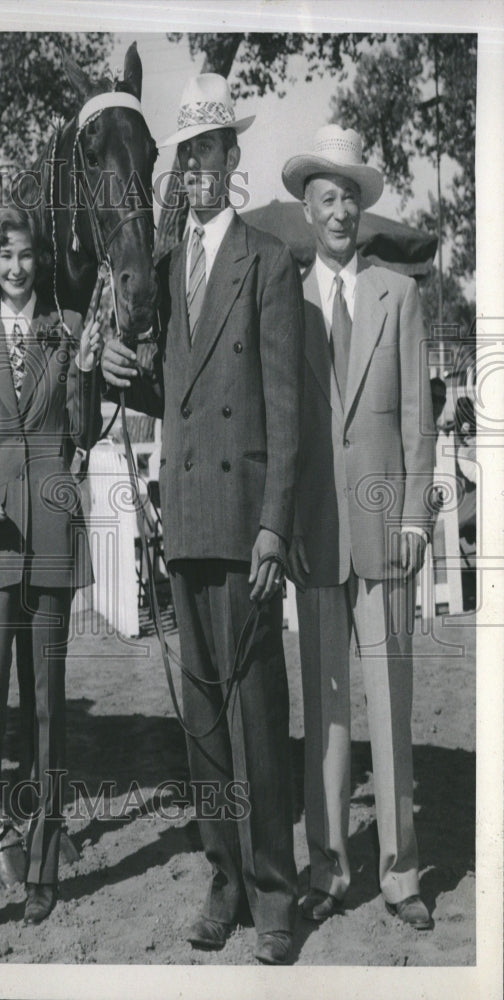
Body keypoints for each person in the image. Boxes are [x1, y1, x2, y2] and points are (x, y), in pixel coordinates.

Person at [101, 74, 303, 964]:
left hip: (243, 524)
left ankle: (274, 891)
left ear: (232, 161)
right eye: (184, 162)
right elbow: (175, 390)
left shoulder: (266, 260)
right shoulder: (175, 263)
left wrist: (272, 526)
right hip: (184, 521)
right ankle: (223, 874)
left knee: (257, 711)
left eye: (209, 155)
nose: (195, 174)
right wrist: (118, 369)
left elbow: (287, 410)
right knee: (205, 724)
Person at [282, 125, 436, 930]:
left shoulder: (399, 296)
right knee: (326, 708)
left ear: (362, 209)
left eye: (350, 198)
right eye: (327, 198)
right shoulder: (287, 299)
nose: (340, 212)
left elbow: (419, 419)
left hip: (385, 534)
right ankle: (329, 867)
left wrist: (414, 515)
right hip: (315, 534)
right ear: (307, 210)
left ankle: (402, 872)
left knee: (390, 706)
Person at [0, 207, 102, 940]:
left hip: (53, 531)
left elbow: (87, 426)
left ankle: (42, 870)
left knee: (47, 708)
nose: (16, 267)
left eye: (25, 256)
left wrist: (92, 368)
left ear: (39, 262)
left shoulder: (68, 330)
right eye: (4, 256)